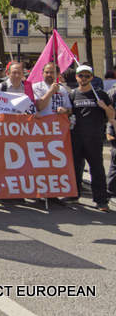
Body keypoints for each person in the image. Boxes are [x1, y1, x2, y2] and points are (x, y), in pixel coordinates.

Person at [67, 65, 114, 211]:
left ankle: (101, 200)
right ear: (77, 77)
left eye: (87, 76)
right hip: (76, 138)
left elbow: (112, 115)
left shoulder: (100, 94)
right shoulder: (73, 94)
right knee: (75, 168)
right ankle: (74, 195)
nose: (84, 79)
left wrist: (104, 107)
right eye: (81, 76)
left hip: (94, 138)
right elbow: (68, 113)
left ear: (91, 78)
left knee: (97, 170)